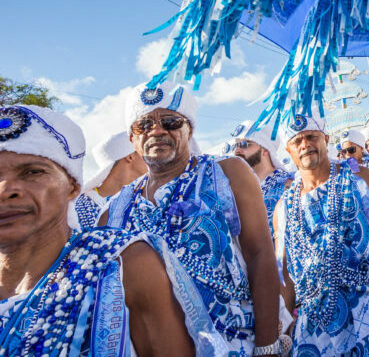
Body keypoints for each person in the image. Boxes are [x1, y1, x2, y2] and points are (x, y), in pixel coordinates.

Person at [0, 105, 224, 355]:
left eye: (32, 172)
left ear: (72, 187)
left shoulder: (123, 262)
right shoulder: (113, 208)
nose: (6, 189)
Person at [102, 81, 283, 356]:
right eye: (144, 125)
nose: (157, 131)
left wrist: (268, 345)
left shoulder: (227, 173)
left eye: (171, 122)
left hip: (236, 344)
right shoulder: (112, 212)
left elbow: (260, 254)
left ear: (190, 129)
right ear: (132, 139)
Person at [275, 112, 369, 355]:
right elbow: (285, 275)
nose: (305, 144)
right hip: (316, 330)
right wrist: (284, 328)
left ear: (325, 139)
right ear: (289, 150)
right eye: (297, 141)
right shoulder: (283, 207)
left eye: (311, 136)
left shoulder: (362, 178)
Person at [72, 131, 147, 228]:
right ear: (130, 157)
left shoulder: (145, 202)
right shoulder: (79, 207)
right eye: (144, 152)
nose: (151, 158)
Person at [230, 120, 293, 235]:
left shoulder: (288, 184)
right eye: (236, 145)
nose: (237, 150)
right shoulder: (238, 191)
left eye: (245, 144)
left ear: (265, 149)